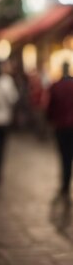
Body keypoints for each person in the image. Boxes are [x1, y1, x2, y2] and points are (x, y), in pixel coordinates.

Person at [46, 62, 73, 200]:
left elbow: (50, 108)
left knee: (65, 157)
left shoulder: (56, 86)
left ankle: (65, 184)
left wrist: (50, 120)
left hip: (62, 127)